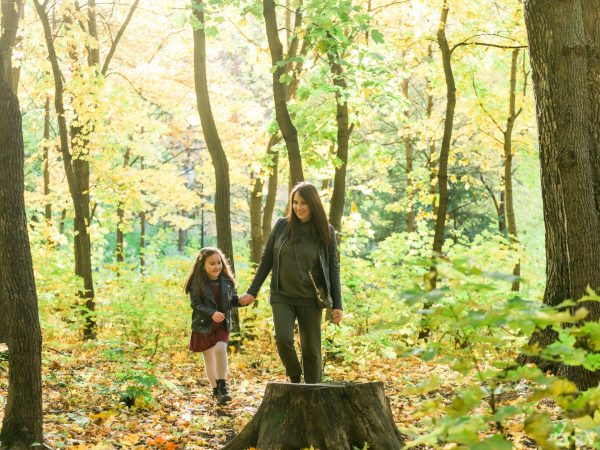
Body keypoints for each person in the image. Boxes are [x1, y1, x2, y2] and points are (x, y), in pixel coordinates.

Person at [239, 181, 343, 384]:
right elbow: (266, 260)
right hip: (282, 295)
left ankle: (313, 393)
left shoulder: (325, 231)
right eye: (295, 202)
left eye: (303, 203)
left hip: (311, 298)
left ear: (313, 204)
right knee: (284, 338)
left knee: (311, 351)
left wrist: (337, 304)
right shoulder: (281, 226)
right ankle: (295, 377)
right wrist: (252, 291)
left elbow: (333, 269)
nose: (298, 207)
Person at [185, 247, 244, 405]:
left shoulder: (226, 281)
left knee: (220, 349)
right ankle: (215, 390)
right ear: (202, 264)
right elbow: (195, 304)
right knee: (209, 359)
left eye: (219, 263)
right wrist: (211, 313)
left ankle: (223, 386)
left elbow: (230, 301)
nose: (217, 266)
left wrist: (240, 301)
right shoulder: (196, 283)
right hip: (204, 325)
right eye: (212, 263)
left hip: (222, 324)